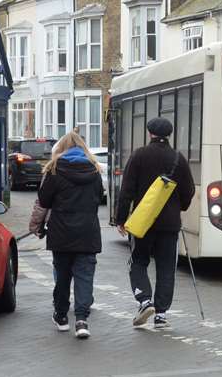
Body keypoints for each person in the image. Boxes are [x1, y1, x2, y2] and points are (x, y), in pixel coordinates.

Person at [115, 117, 195, 330]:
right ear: (168, 134)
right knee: (166, 267)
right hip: (169, 223)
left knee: (138, 261)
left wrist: (121, 219)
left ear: (150, 133)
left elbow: (126, 191)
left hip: (143, 222)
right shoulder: (178, 158)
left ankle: (144, 301)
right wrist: (180, 206)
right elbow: (189, 191)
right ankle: (161, 314)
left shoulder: (139, 155)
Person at [36, 131, 104, 339]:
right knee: (85, 276)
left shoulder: (55, 170)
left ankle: (62, 315)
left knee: (63, 276)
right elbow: (98, 197)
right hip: (87, 231)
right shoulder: (94, 170)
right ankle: (82, 320)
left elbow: (44, 200)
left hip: (61, 231)